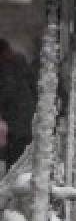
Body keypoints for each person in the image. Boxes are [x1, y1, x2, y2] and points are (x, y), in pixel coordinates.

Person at [0, 38, 37, 169]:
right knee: (18, 155)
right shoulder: (20, 62)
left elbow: (7, 92)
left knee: (17, 156)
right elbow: (34, 86)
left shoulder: (8, 67)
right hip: (22, 118)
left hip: (19, 120)